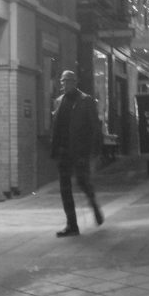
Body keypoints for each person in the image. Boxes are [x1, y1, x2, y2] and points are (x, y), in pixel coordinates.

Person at [50, 70, 103, 237]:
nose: (65, 84)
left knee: (82, 182)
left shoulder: (85, 100)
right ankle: (72, 225)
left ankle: (93, 203)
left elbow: (94, 126)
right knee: (65, 189)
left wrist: (93, 150)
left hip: (79, 150)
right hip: (63, 151)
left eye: (69, 81)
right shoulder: (58, 101)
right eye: (63, 81)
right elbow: (56, 126)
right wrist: (55, 148)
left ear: (75, 82)